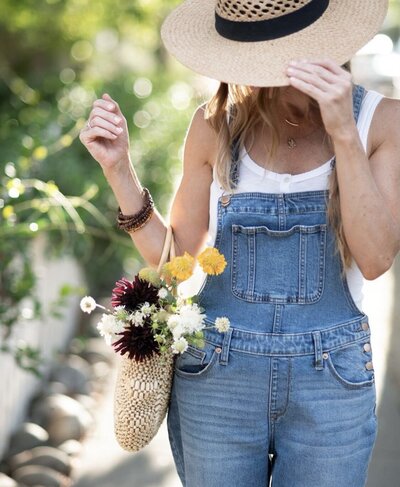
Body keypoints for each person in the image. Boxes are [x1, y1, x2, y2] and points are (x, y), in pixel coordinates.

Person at [80, 1, 400, 485]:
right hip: (217, 377)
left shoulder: (381, 121)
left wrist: (342, 133)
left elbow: (376, 259)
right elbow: (176, 262)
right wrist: (119, 170)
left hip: (330, 380)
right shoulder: (214, 124)